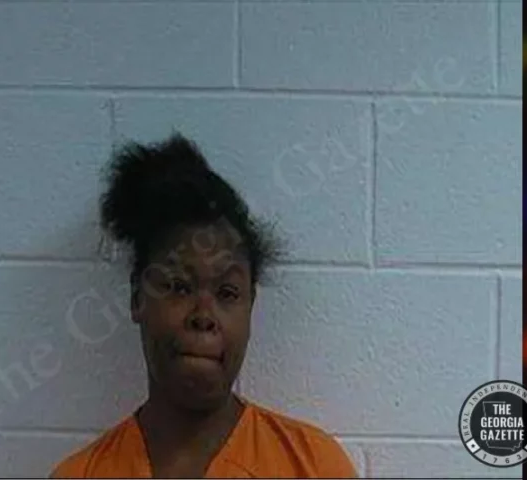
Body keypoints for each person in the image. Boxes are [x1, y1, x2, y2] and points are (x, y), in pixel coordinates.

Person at [51, 133, 358, 478]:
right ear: (138, 297)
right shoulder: (80, 474)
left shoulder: (314, 466)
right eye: (179, 287)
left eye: (227, 292)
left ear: (250, 305)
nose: (203, 316)